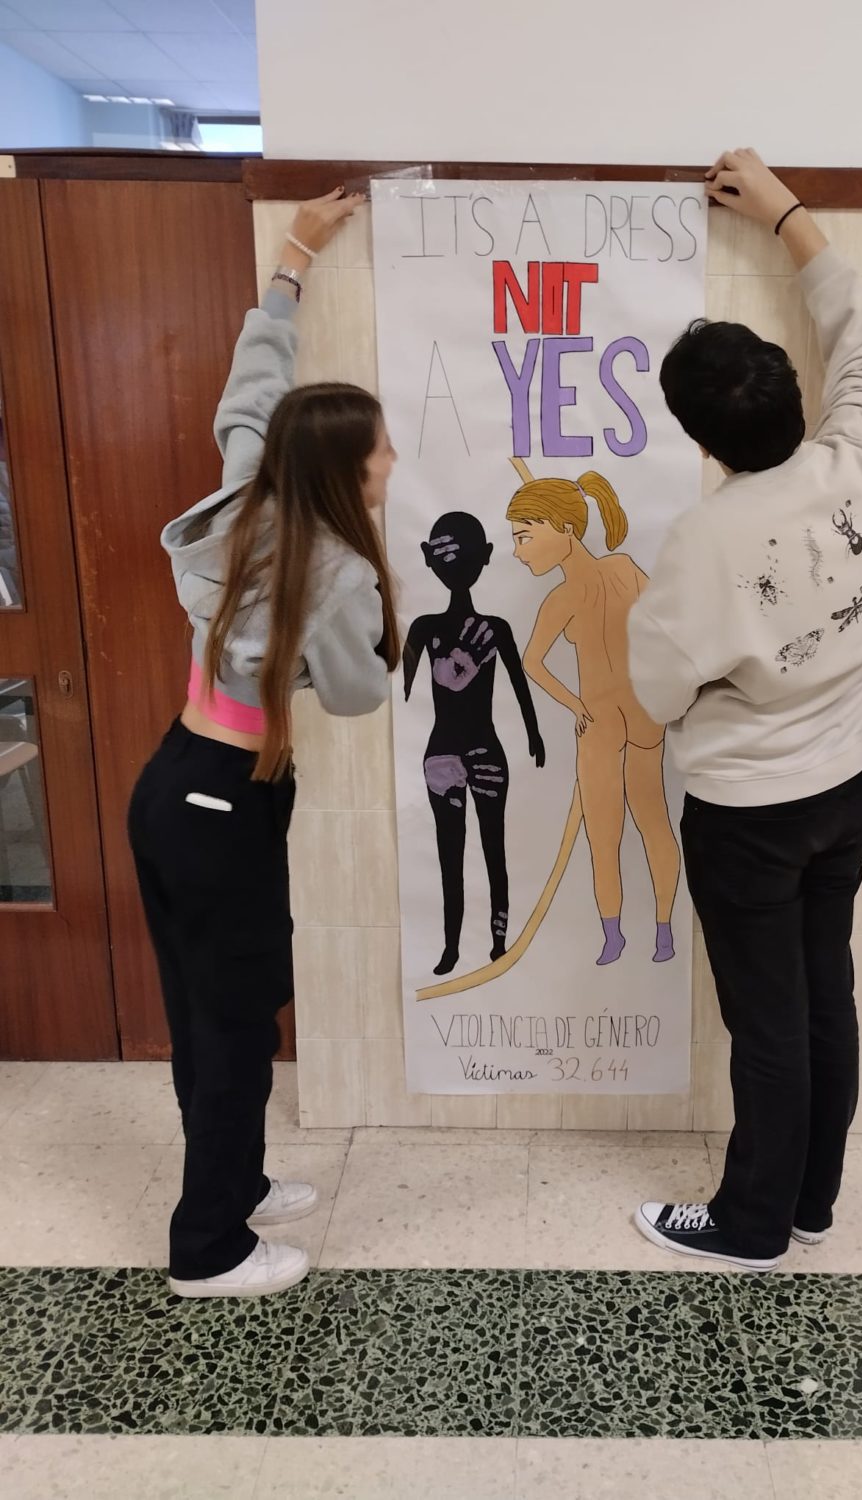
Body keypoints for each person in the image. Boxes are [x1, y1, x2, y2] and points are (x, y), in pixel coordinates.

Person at [628, 149, 862, 1271]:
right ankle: (811, 1202)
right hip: (849, 785)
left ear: (700, 442)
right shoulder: (860, 452)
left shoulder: (703, 541)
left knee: (769, 1025)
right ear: (795, 394)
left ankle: (749, 1227)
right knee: (825, 995)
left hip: (749, 815)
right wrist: (786, 213)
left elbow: (654, 693)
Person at [128, 189, 399, 1299]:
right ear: (346, 471)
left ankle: (234, 1181)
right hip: (224, 804)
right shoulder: (333, 570)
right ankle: (209, 1247)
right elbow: (358, 695)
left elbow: (251, 391)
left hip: (176, 785)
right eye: (380, 452)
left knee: (208, 1009)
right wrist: (369, 644)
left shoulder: (250, 485)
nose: (392, 460)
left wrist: (291, 262)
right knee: (235, 1024)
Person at [506, 470, 681, 966]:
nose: (518, 551)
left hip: (622, 720)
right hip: (618, 719)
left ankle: (644, 933)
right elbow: (532, 662)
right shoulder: (592, 584)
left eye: (525, 537)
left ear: (564, 528)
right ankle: (637, 934)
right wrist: (578, 703)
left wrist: (582, 702)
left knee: (632, 829)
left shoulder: (594, 583)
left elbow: (533, 662)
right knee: (627, 829)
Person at [404, 512, 545, 976]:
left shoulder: (439, 629)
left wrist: (535, 733)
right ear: (486, 557)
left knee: (474, 850)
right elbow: (403, 689)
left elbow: (520, 686)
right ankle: (476, 945)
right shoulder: (437, 628)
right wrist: (533, 734)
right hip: (467, 751)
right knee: (478, 849)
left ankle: (475, 945)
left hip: (454, 751)